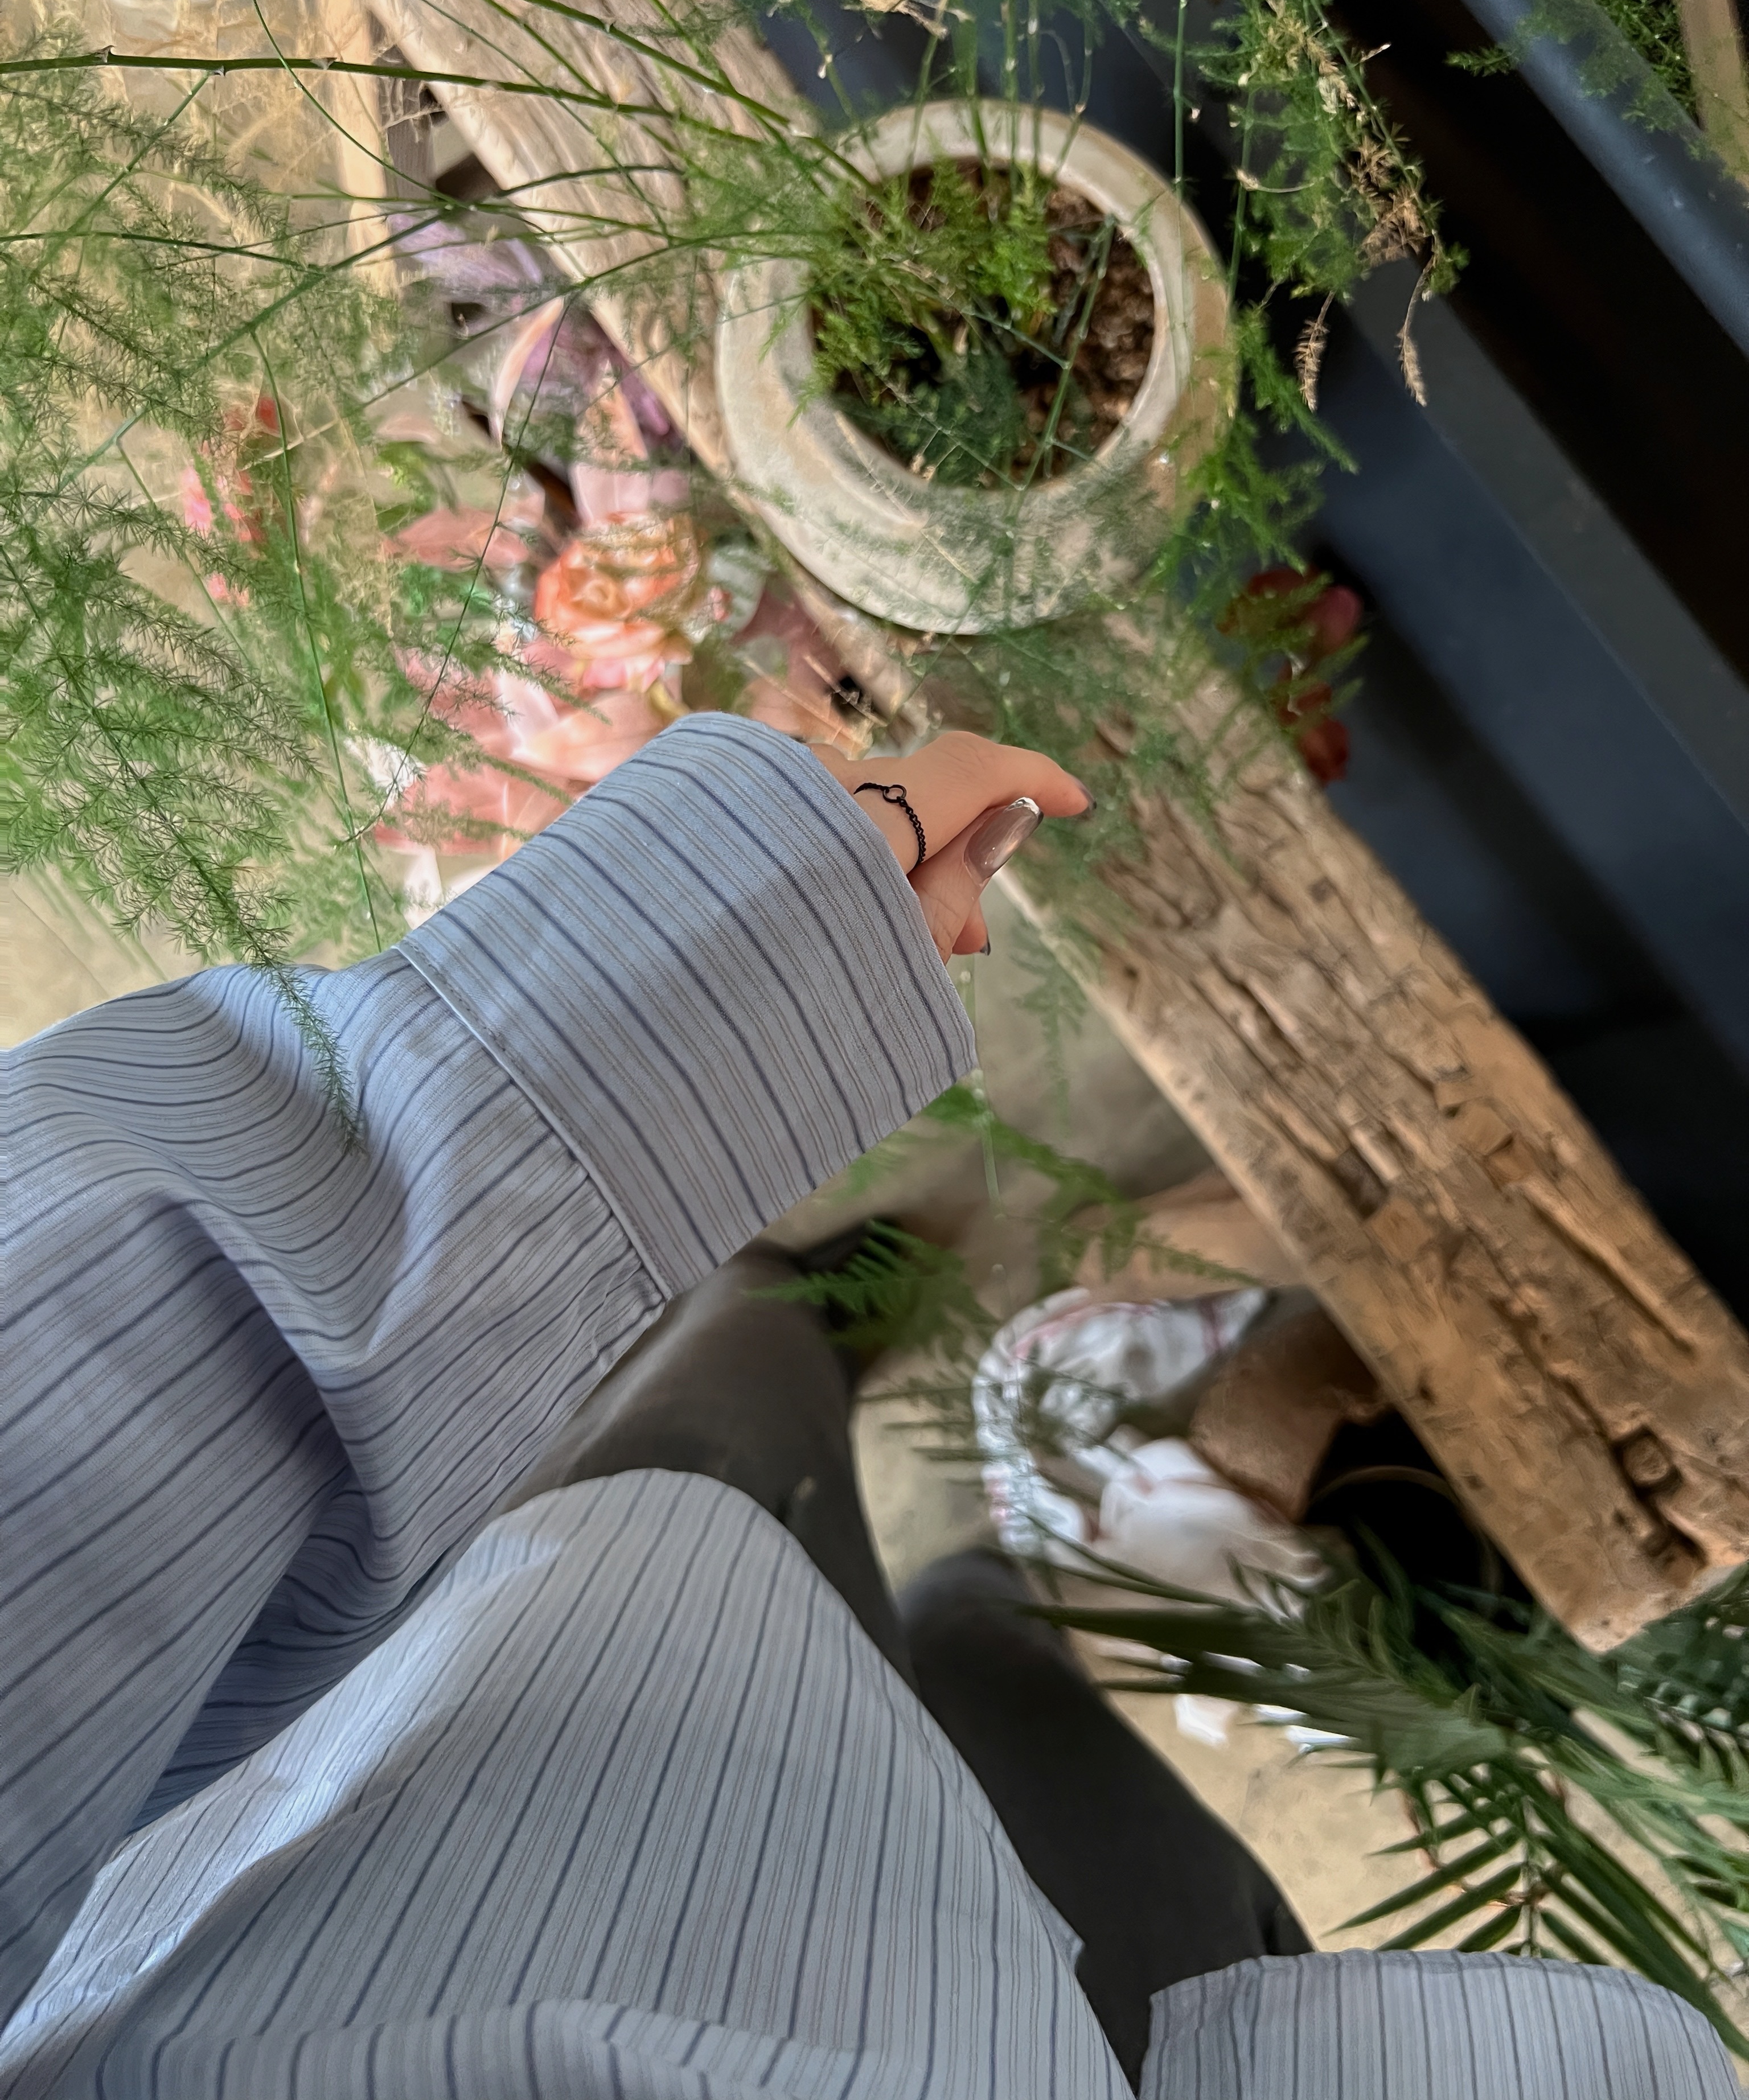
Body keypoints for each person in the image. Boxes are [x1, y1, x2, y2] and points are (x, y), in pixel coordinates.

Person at [3, 716, 1735, 2099]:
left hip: (551, 1753)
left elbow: (64, 1480)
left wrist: (640, 1011)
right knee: (993, 1663)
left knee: (732, 1425)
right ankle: (963, 1532)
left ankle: (829, 1332)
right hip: (1076, 2030)